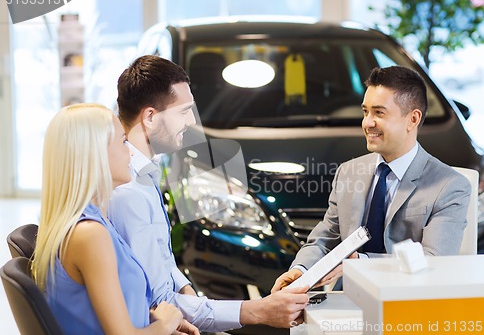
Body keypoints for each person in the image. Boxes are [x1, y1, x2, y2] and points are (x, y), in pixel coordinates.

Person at [108, 55, 309, 333]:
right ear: (150, 117)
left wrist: (186, 289)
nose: (191, 121)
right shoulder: (128, 192)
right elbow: (159, 303)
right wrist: (259, 310)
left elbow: (163, 264)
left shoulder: (145, 172)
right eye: (183, 111)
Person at [272, 65, 471, 292]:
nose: (367, 123)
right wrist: (301, 270)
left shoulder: (449, 186)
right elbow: (326, 235)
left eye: (379, 113)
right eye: (365, 112)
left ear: (412, 119)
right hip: (347, 300)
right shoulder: (348, 172)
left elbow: (434, 261)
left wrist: (362, 264)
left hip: (409, 304)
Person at [32, 104, 199, 335]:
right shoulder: (89, 234)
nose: (130, 152)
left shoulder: (94, 220)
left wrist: (153, 320)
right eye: (123, 142)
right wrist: (164, 325)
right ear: (95, 154)